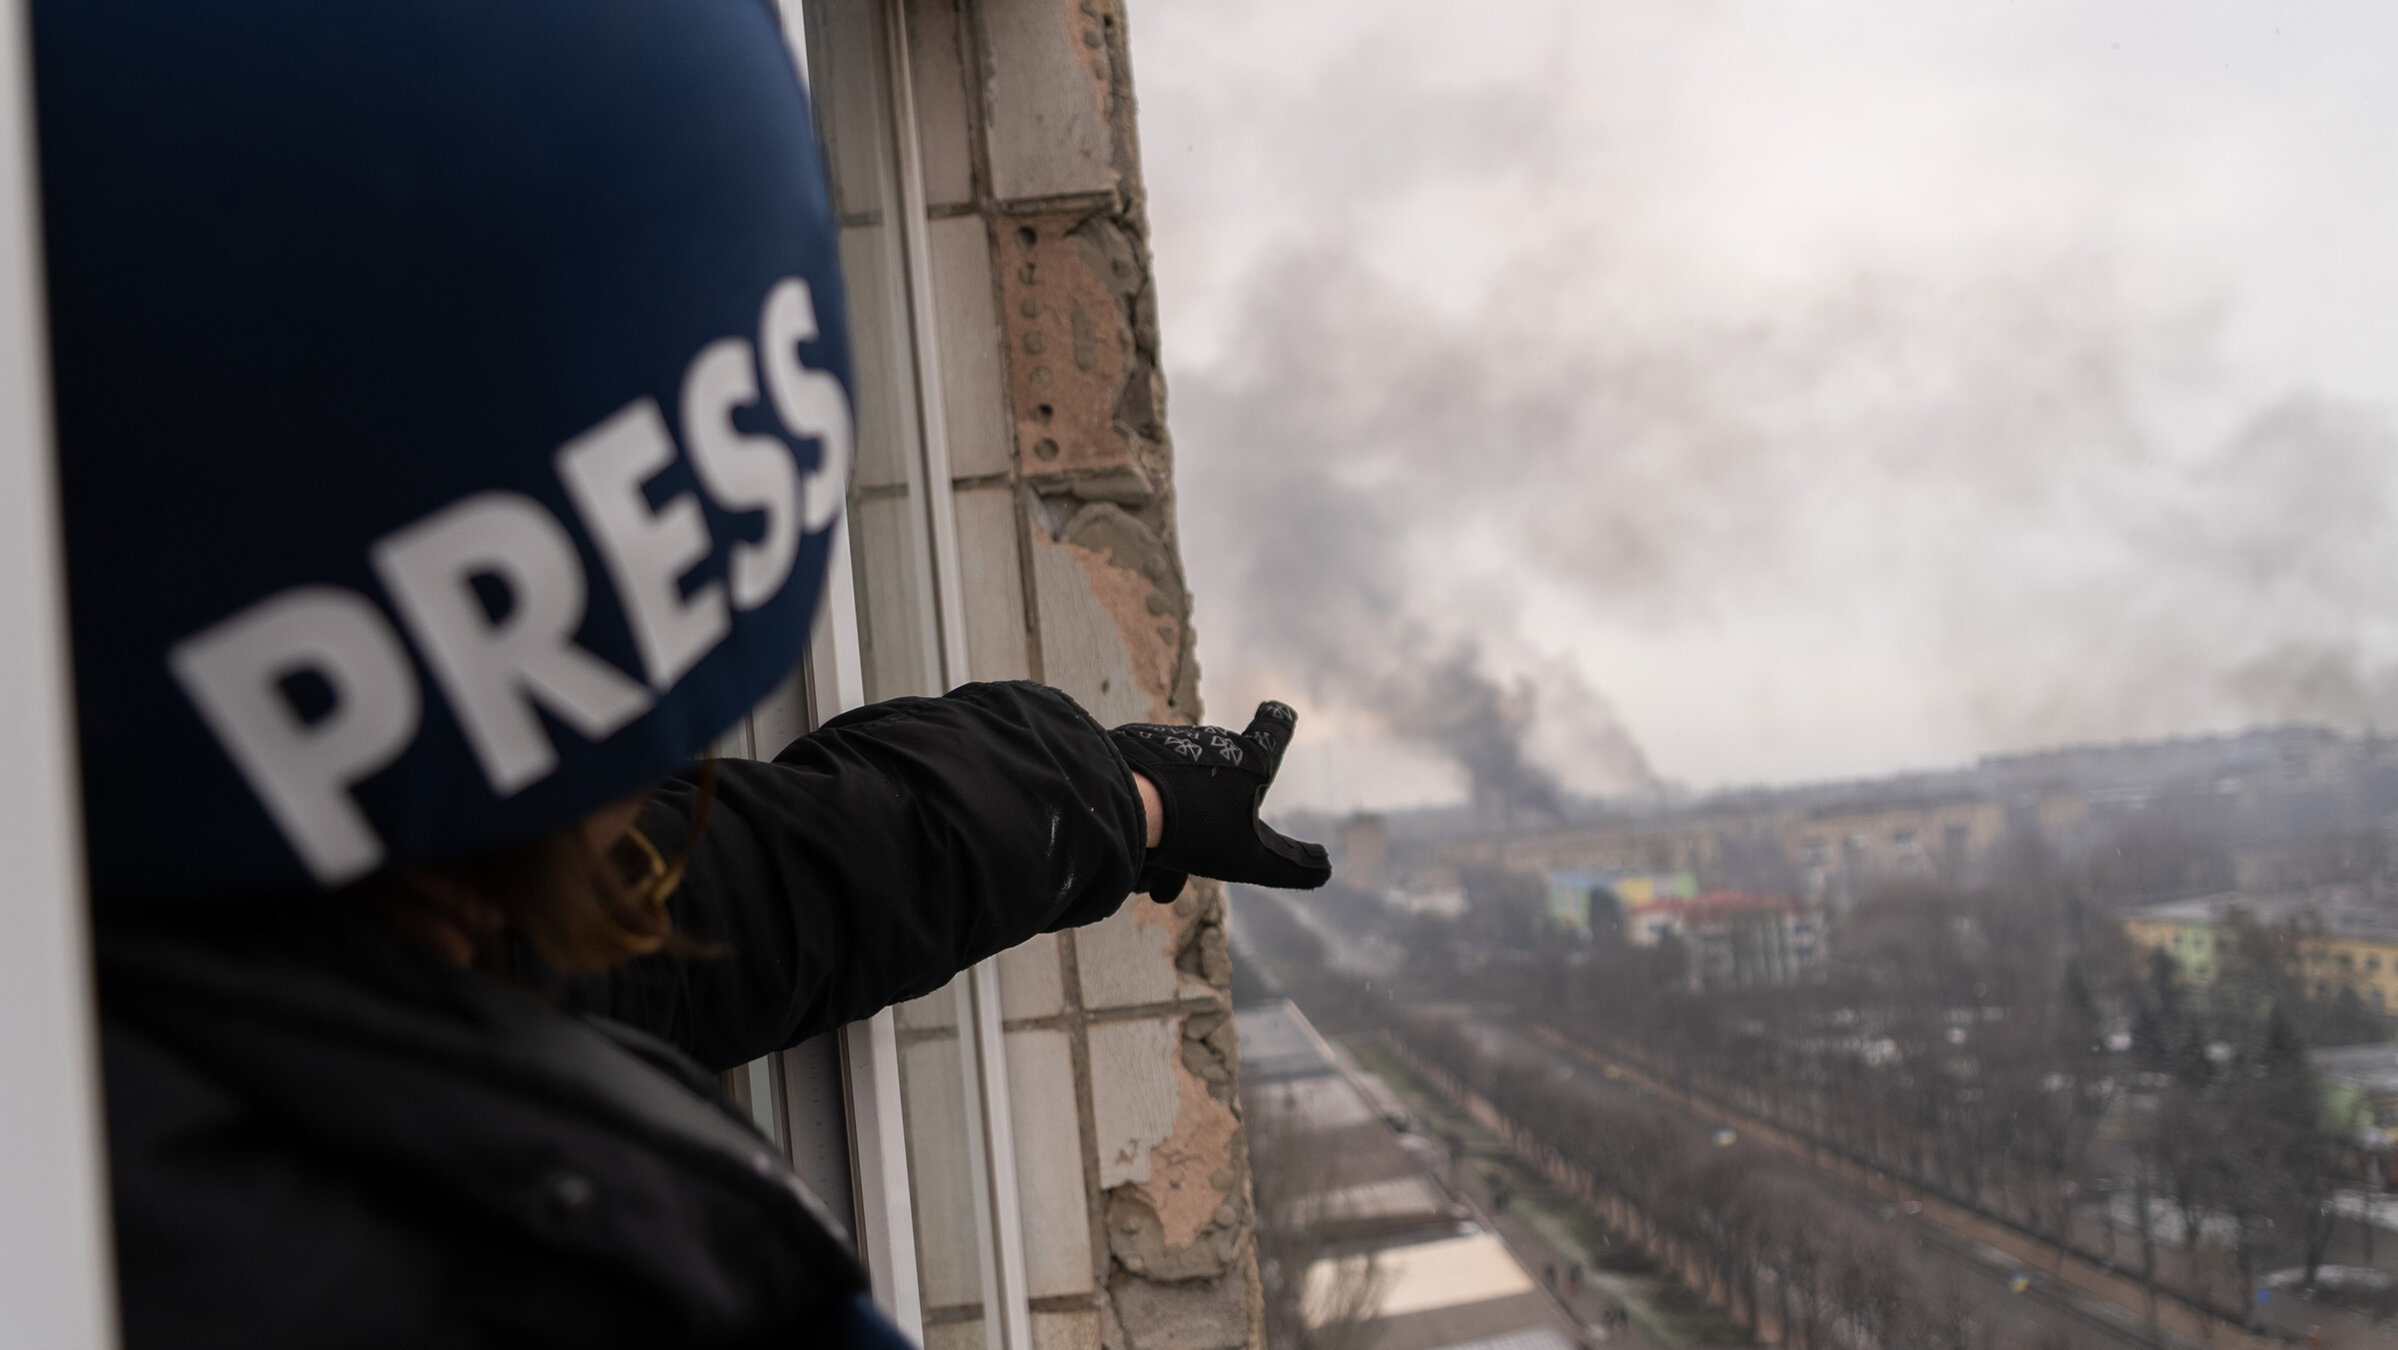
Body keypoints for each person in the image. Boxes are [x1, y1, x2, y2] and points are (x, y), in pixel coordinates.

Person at [34, 1, 1329, 1346]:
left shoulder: (255, 944)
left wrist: (1113, 794)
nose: (640, 796)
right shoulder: (437, 1242)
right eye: (605, 751)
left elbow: (711, 904)